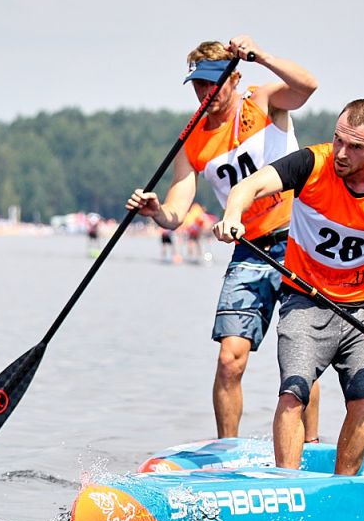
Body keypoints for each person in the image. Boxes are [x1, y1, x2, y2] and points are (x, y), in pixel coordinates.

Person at [127, 35, 320, 440]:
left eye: (214, 82)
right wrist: (158, 211)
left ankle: (313, 448)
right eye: (198, 85)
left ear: (233, 79)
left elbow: (307, 87)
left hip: (299, 242)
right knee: (229, 360)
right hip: (250, 249)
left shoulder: (262, 99)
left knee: (300, 361)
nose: (206, 93)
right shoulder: (192, 139)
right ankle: (227, 454)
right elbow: (178, 207)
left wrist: (263, 56)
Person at [213, 100, 364, 475]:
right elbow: (249, 186)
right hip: (305, 301)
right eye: (338, 140)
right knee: (293, 392)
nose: (341, 154)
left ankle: (344, 488)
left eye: (355, 147)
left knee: (362, 399)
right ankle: (287, 483)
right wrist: (233, 215)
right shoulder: (311, 164)